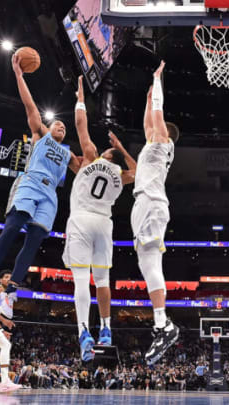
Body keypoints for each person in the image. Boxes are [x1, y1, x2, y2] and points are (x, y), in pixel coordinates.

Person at [0, 51, 82, 311]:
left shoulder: (68, 154)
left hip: (50, 194)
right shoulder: (40, 134)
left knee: (34, 242)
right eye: (58, 125)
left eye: (65, 128)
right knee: (11, 229)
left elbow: (88, 167)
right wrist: (19, 75)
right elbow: (29, 104)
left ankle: (10, 293)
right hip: (30, 183)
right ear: (48, 127)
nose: (61, 127)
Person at [63, 75, 136, 361]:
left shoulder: (91, 160)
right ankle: (106, 329)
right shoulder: (121, 175)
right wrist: (124, 148)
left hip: (81, 220)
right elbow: (139, 171)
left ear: (105, 154)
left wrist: (80, 98)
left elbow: (81, 126)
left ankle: (84, 333)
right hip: (104, 225)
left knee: (81, 281)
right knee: (102, 282)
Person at [131, 60, 181, 365]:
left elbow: (158, 118)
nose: (152, 129)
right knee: (145, 260)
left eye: (158, 129)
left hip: (152, 204)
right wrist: (148, 98)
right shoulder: (152, 142)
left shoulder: (163, 142)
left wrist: (157, 81)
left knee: (149, 260)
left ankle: (163, 324)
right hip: (144, 204)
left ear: (166, 134)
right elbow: (150, 119)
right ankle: (162, 323)